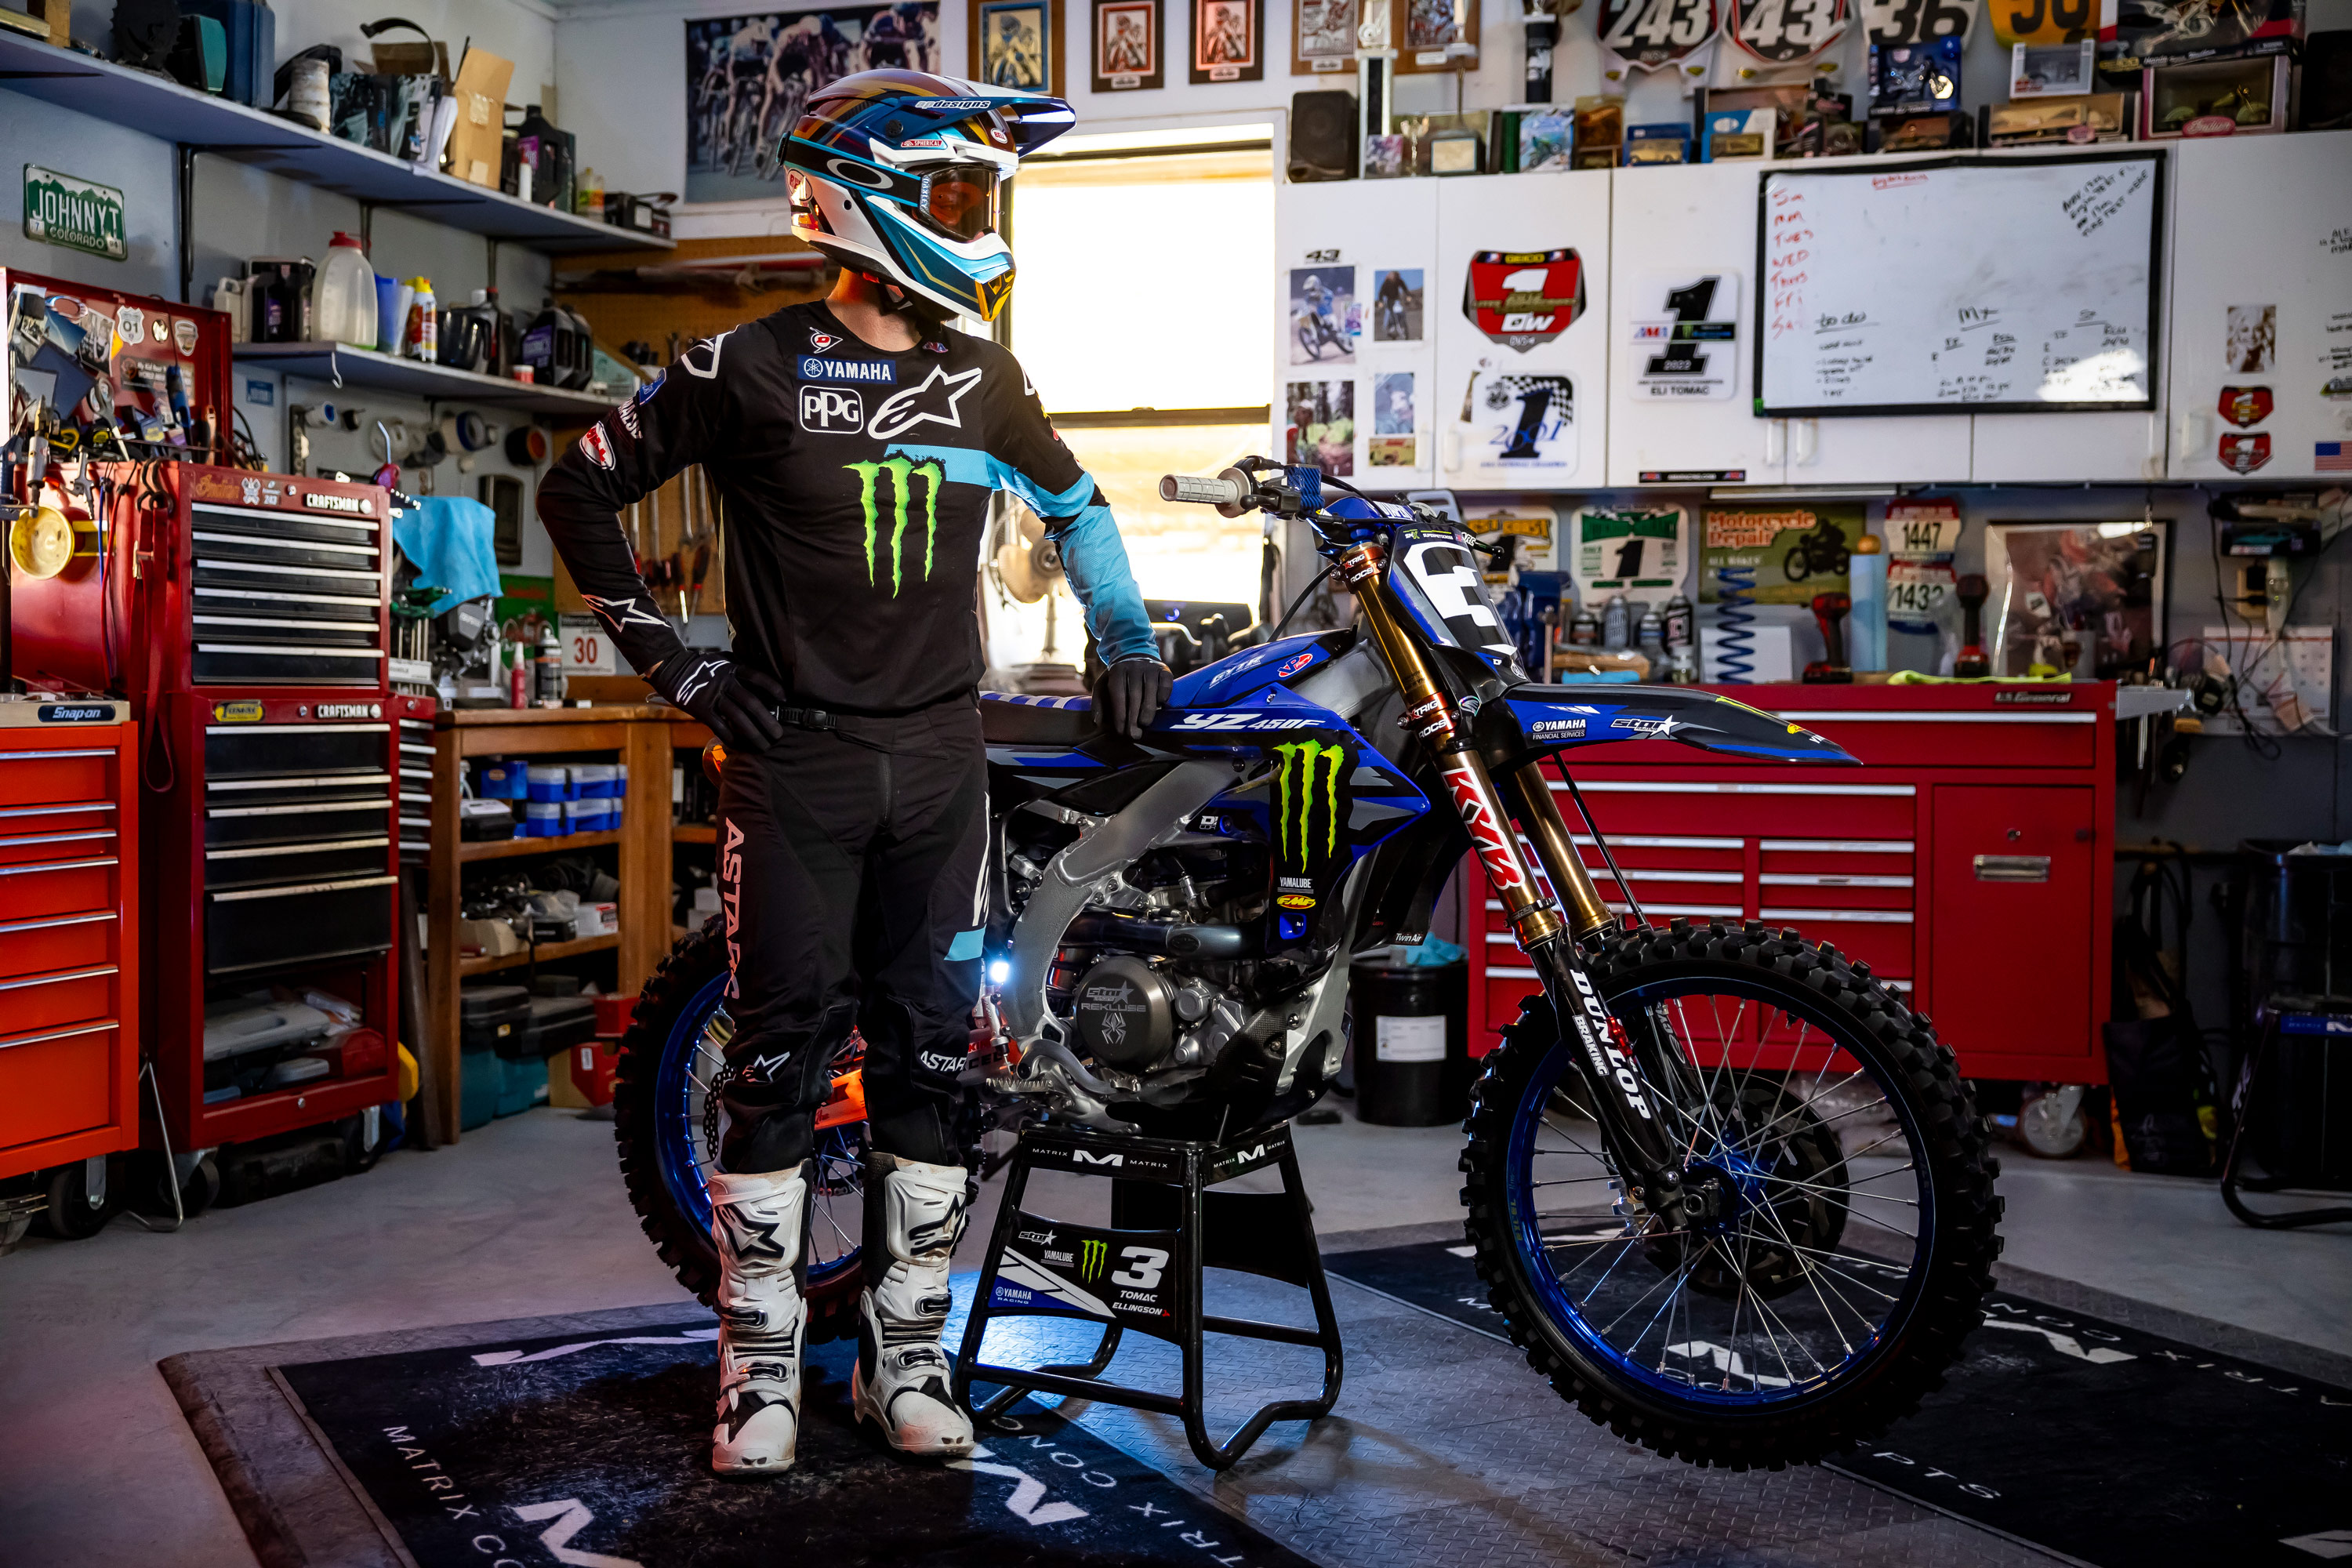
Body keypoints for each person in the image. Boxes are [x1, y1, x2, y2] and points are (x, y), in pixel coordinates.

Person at [536, 69, 1171, 1478]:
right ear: (854, 203)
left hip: (943, 767)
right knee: (771, 1063)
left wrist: (1126, 632)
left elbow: (1077, 504)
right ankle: (755, 1373)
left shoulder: (983, 374)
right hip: (798, 766)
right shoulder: (745, 364)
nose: (974, 222)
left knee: (934, 1061)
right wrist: (679, 666)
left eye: (982, 197)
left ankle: (913, 1359)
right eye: (954, 195)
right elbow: (574, 490)